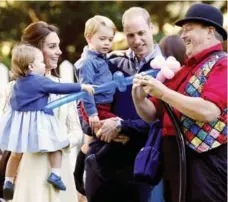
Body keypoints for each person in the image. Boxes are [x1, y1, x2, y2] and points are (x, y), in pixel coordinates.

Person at [132, 3, 227, 202]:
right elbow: (152, 114)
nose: (182, 35)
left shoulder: (222, 64)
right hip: (175, 158)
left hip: (206, 162)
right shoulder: (184, 69)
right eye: (182, 30)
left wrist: (164, 92)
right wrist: (138, 98)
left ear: (210, 32)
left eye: (188, 29)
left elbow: (209, 111)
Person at [83, 7, 164, 202]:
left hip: (140, 167)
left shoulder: (166, 69)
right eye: (130, 35)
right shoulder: (111, 63)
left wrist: (122, 126)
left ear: (151, 28)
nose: (136, 40)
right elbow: (85, 105)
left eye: (141, 33)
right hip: (102, 164)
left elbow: (161, 121)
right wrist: (97, 128)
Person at [0, 21, 85, 202]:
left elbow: (77, 131)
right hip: (29, 172)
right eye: (52, 46)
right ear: (36, 51)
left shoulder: (63, 86)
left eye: (58, 46)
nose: (59, 52)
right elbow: (8, 133)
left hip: (59, 171)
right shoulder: (12, 90)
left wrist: (58, 142)